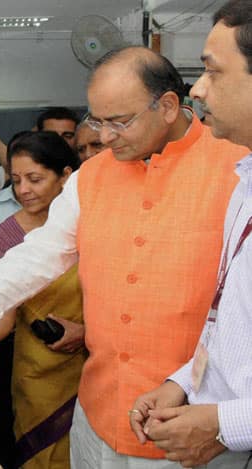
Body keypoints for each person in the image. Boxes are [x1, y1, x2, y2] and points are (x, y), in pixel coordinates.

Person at [0, 46, 248, 467]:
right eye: (96, 120)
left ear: (168, 106)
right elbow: (39, 254)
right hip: (97, 415)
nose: (104, 138)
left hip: (190, 425)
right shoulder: (92, 176)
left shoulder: (237, 170)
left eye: (119, 122)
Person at [129, 1, 252, 466]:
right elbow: (231, 323)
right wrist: (181, 384)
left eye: (213, 72)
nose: (197, 90)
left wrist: (224, 425)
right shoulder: (245, 183)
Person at [0, 132, 84, 469]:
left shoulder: (93, 227)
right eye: (16, 180)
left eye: (35, 179)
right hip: (35, 370)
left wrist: (86, 332)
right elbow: (5, 312)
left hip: (92, 363)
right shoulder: (11, 230)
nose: (23, 189)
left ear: (66, 176)